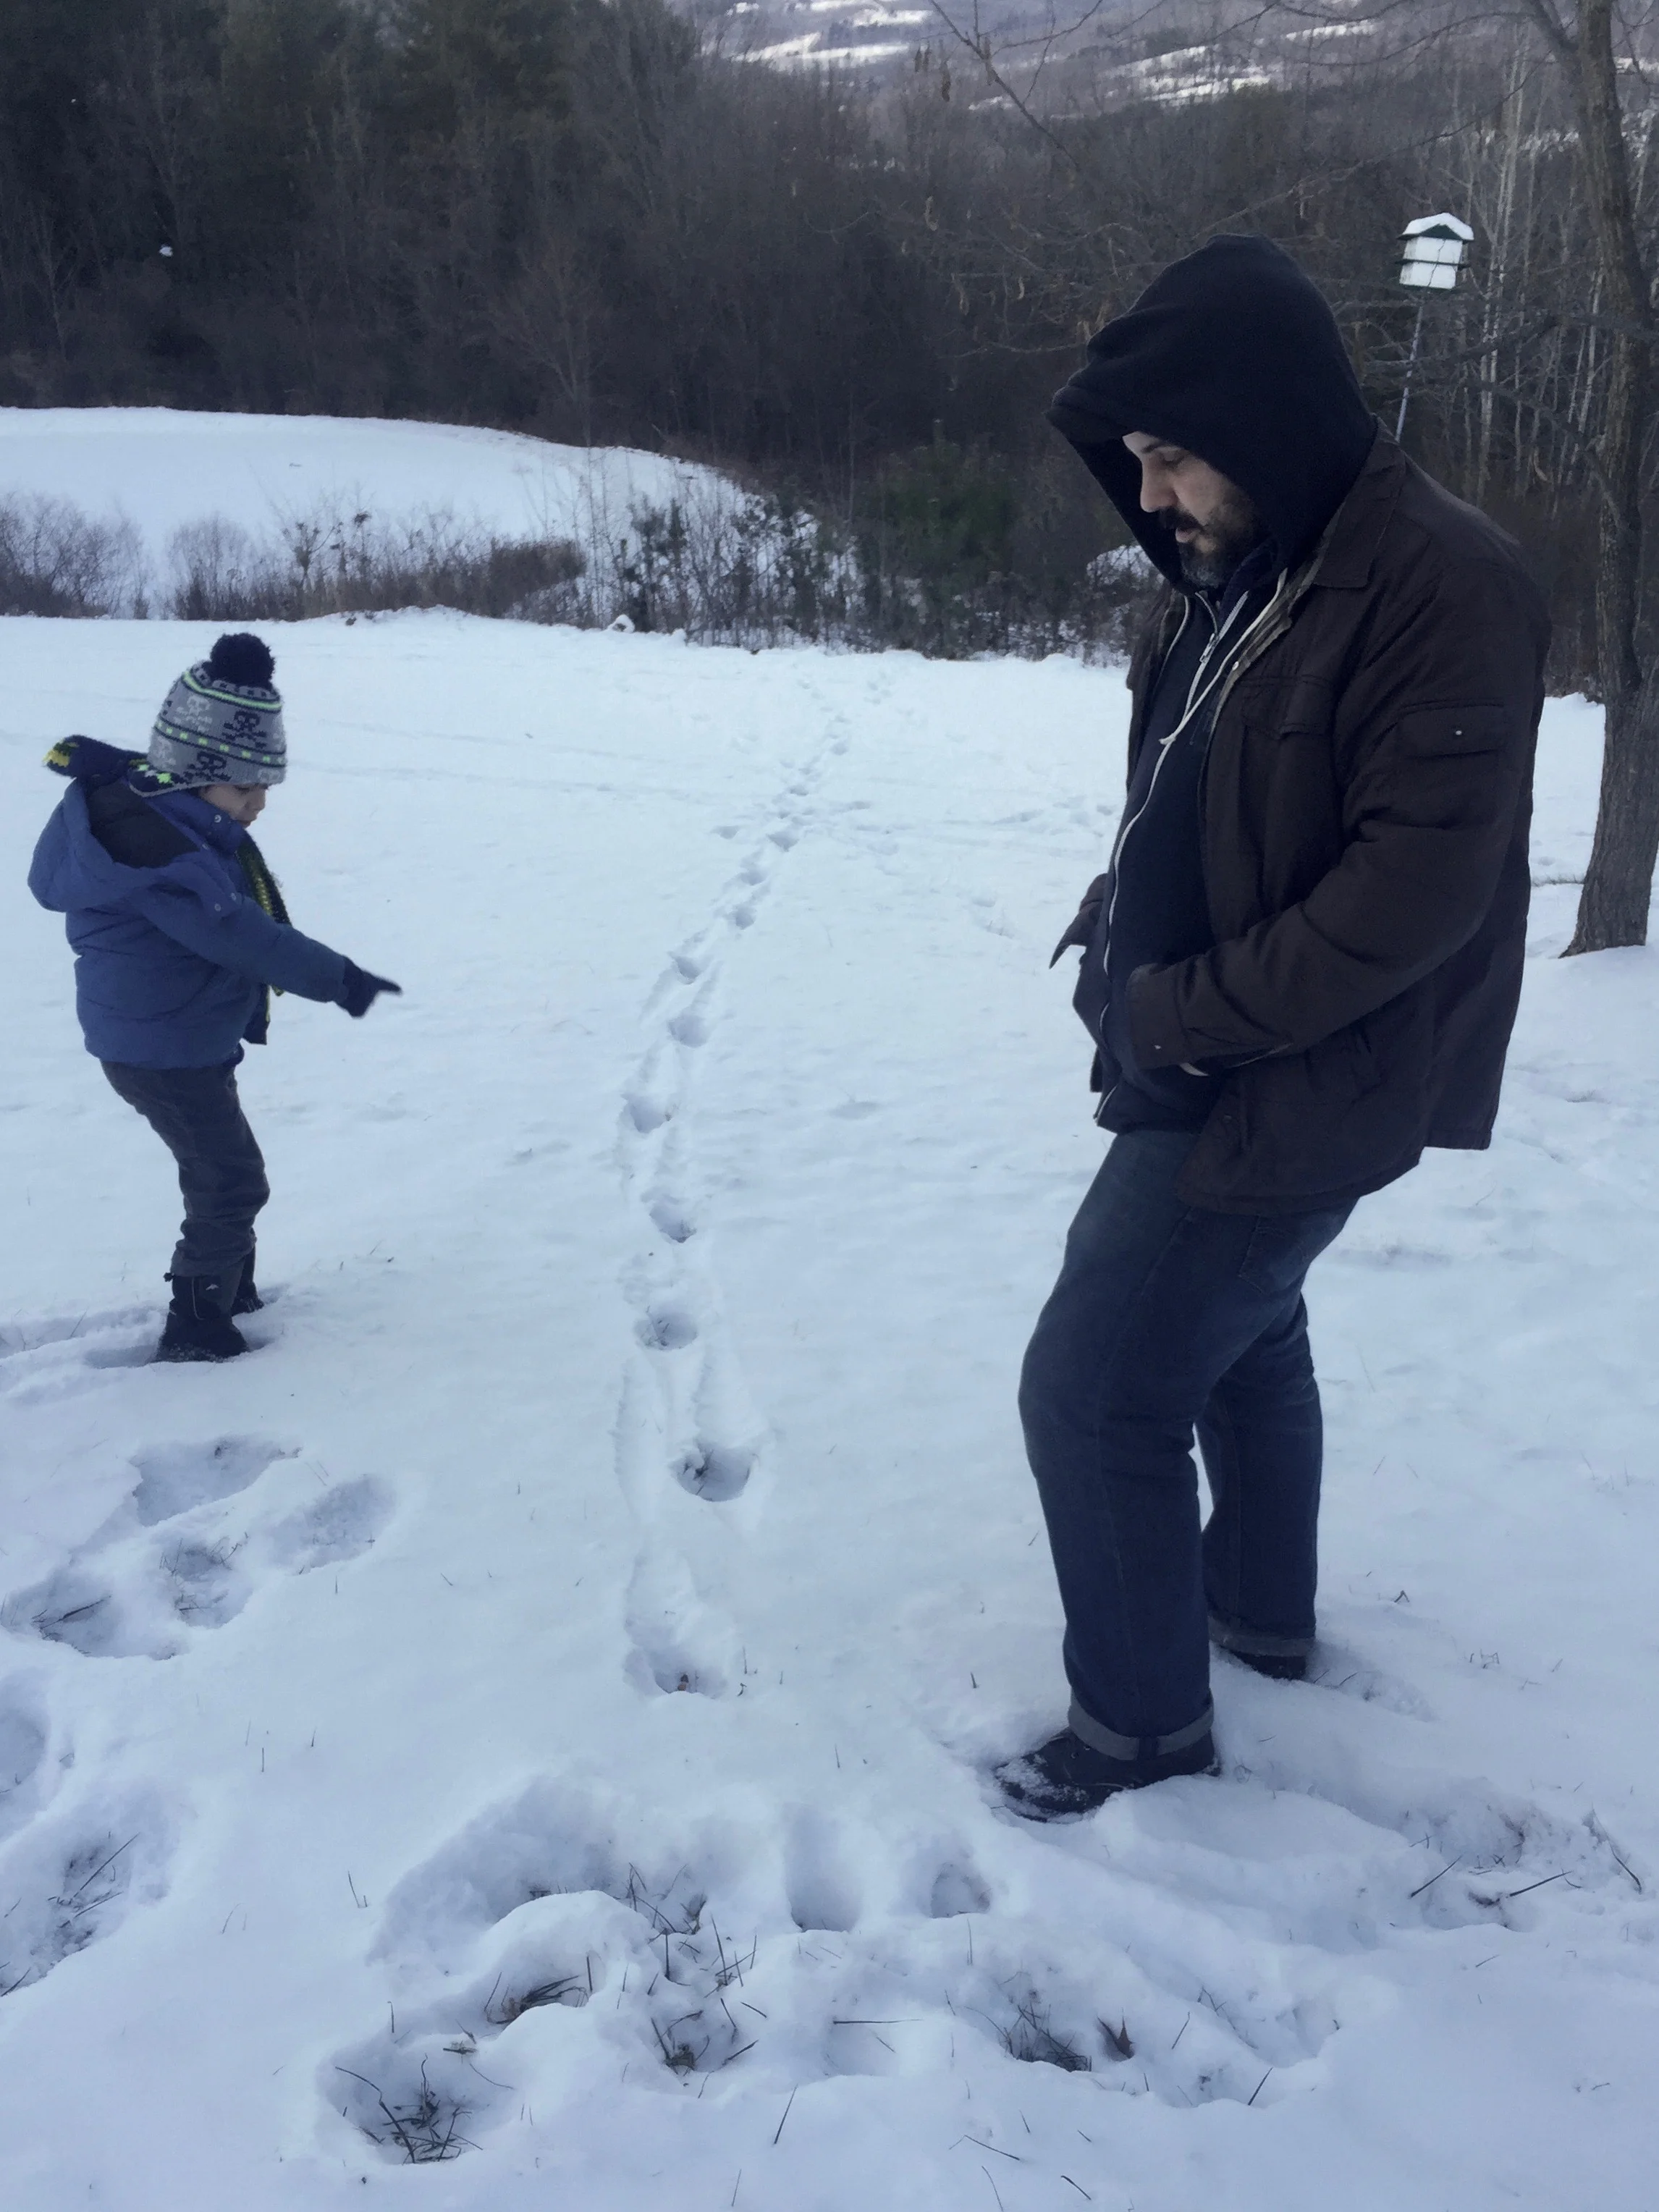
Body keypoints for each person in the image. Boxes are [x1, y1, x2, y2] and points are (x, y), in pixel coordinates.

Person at [997, 235, 1549, 1820]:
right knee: (1245, 1331)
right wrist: (1124, 915)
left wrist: (1177, 1010)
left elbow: (1406, 901)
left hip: (1292, 1070)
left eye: (1172, 455)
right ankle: (1259, 1614)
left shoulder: (1448, 584)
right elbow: (1199, 778)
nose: (1151, 494)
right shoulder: (1245, 564)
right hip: (1204, 1039)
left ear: (1265, 417)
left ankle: (1143, 1734)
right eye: (1138, 463)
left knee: (1095, 1388)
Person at [28, 631, 400, 1364]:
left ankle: (229, 1284)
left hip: (169, 1038)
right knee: (231, 1181)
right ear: (193, 776)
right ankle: (198, 1323)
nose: (259, 804)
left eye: (264, 788)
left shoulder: (153, 812)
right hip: (163, 1050)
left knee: (221, 1169)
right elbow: (250, 940)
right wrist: (343, 980)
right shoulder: (167, 861)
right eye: (244, 788)